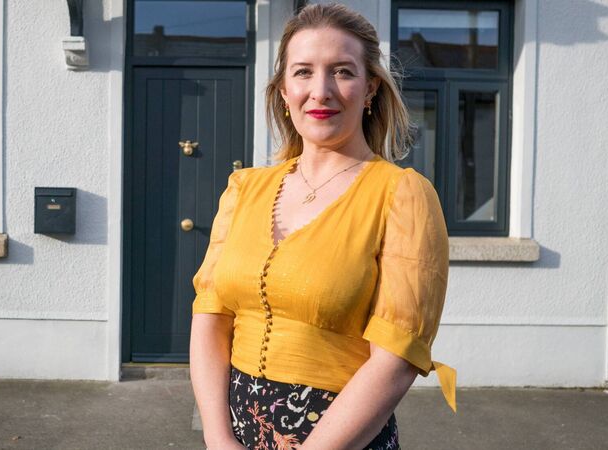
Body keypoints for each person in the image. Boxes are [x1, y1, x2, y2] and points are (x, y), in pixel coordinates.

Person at [189, 3, 457, 449]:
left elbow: (395, 357)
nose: (321, 90)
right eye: (303, 72)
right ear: (282, 90)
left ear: (370, 88)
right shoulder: (244, 188)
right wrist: (219, 440)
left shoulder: (402, 195)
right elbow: (211, 318)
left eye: (342, 71)